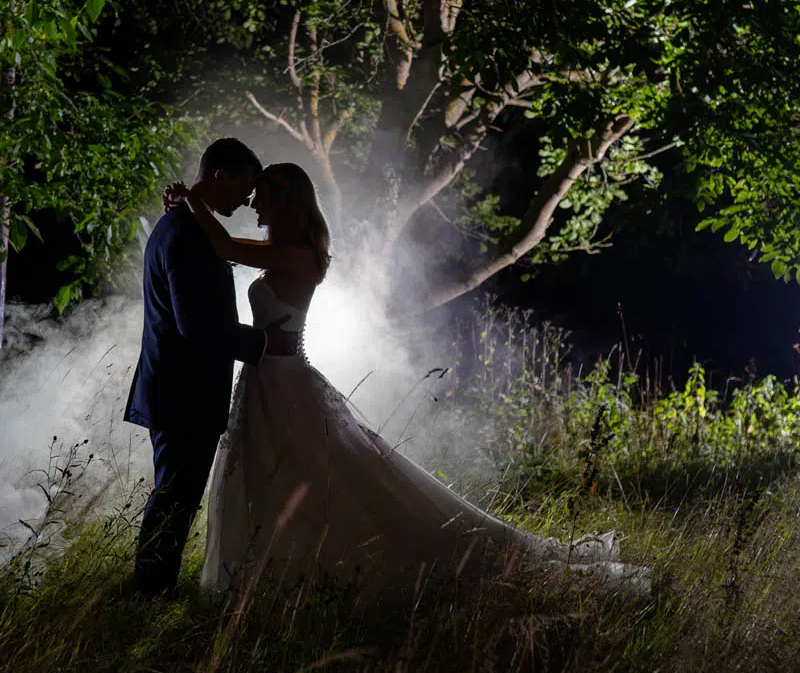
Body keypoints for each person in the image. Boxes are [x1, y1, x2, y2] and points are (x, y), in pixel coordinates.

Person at [165, 162, 650, 601]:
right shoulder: (283, 250)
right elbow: (228, 251)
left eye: (261, 195)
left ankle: (323, 573)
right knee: (280, 479)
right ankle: (276, 577)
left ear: (284, 199)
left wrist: (192, 200)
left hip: (286, 382)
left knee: (334, 483)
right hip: (265, 382)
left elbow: (226, 246)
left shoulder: (299, 254)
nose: (252, 203)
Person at [123, 138, 297, 600]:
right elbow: (197, 326)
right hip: (183, 390)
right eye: (244, 189)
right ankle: (149, 591)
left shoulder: (184, 225)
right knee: (175, 496)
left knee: (175, 494)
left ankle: (152, 587)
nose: (246, 201)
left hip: (181, 387)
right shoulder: (185, 234)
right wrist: (262, 342)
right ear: (221, 174)